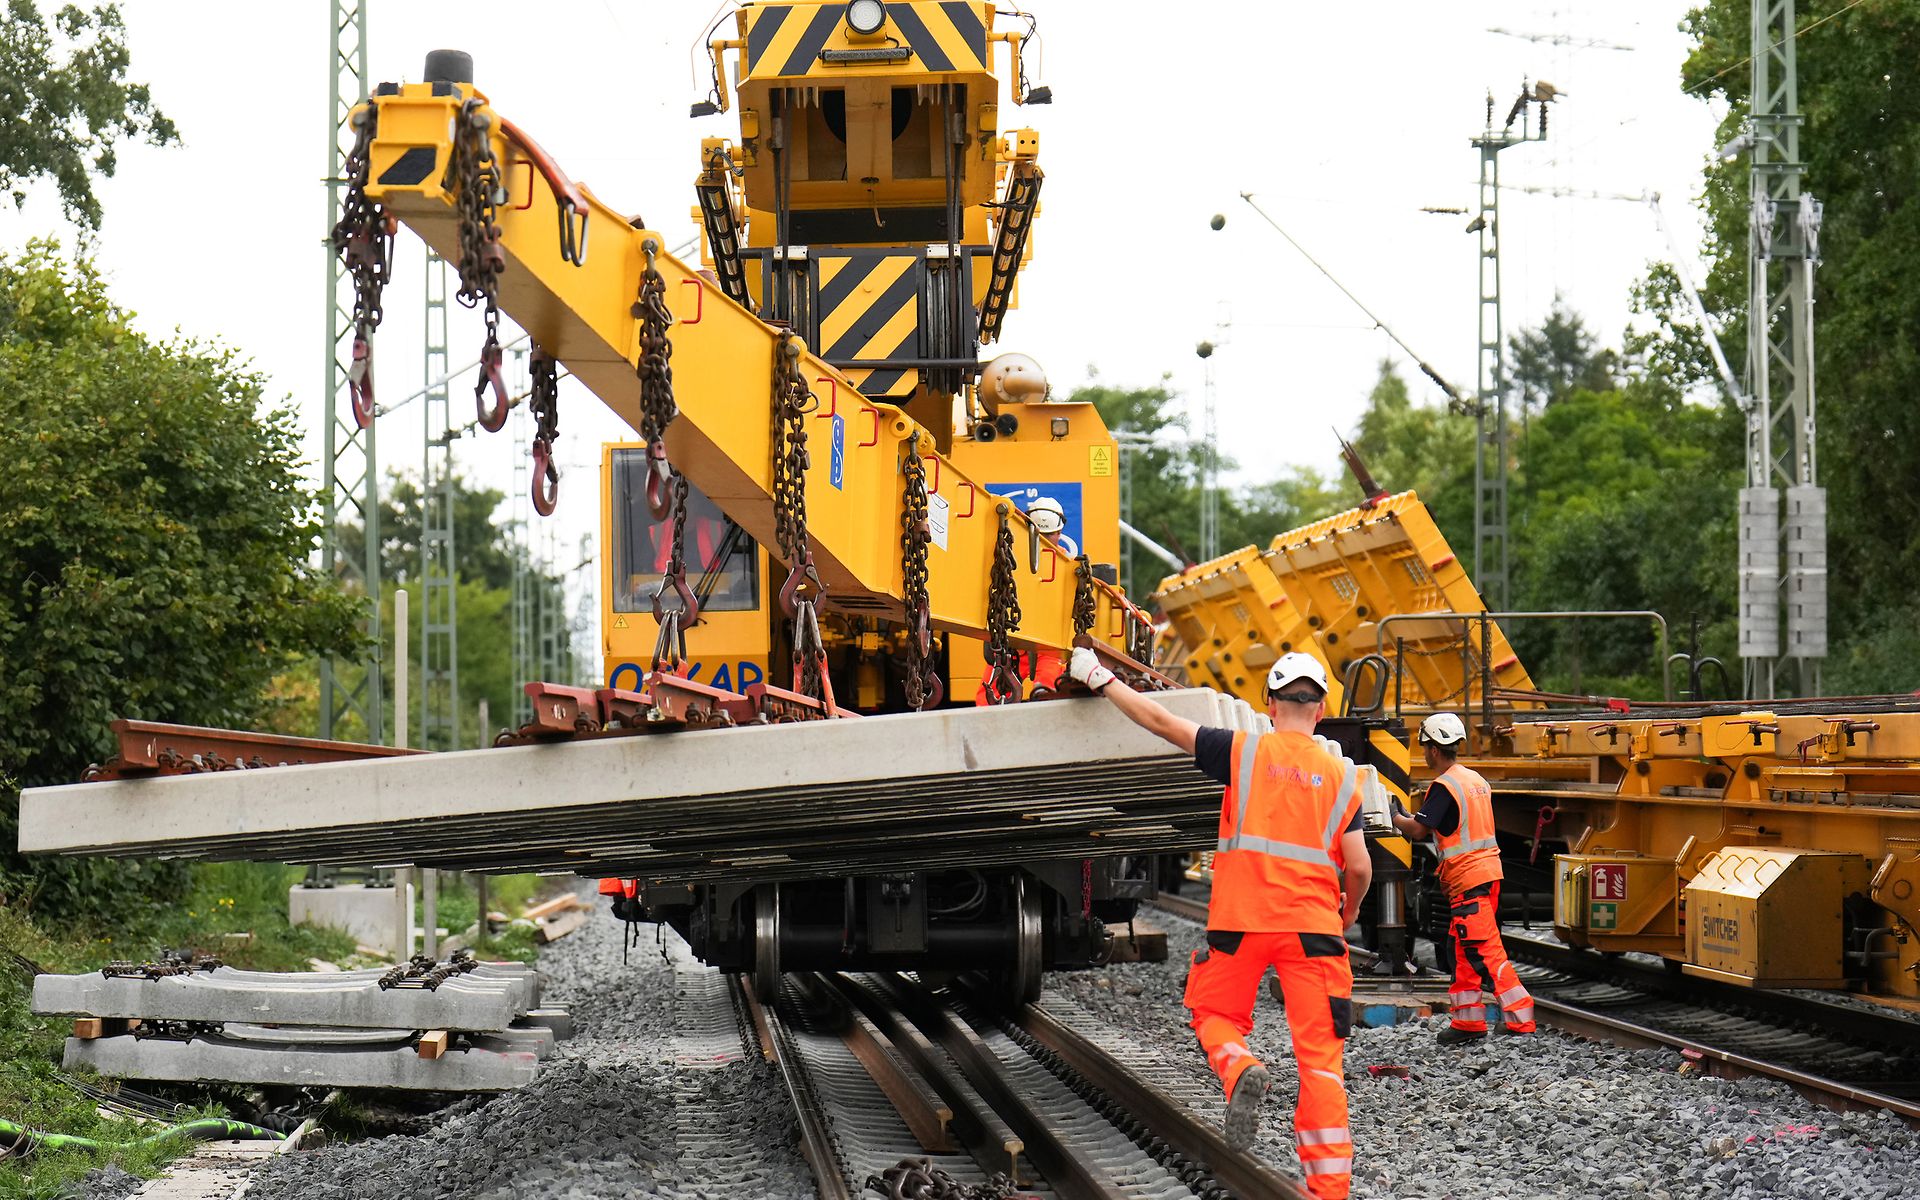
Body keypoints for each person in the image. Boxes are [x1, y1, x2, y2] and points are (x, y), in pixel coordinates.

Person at [1069, 646, 1369, 1197]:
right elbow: (1359, 866)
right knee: (1322, 1063)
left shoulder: (1243, 752)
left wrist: (1099, 678)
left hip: (1241, 923)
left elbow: (1157, 720)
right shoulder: (1343, 777)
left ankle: (1238, 1068)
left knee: (1212, 1013)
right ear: (1321, 709)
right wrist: (1344, 914)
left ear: (1271, 704)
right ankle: (1329, 1191)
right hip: (1316, 933)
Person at [1389, 711, 1536, 1043]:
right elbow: (1455, 825)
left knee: (1485, 950)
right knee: (1462, 947)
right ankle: (1467, 1021)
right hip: (1487, 875)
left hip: (1469, 879)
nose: (1425, 752)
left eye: (1425, 746)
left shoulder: (1443, 787)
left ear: (1434, 749)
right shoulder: (1475, 781)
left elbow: (1419, 829)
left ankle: (1521, 1018)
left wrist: (1395, 816)